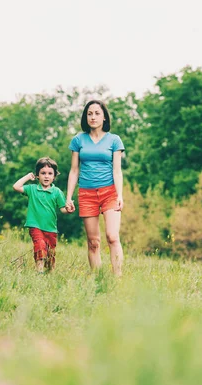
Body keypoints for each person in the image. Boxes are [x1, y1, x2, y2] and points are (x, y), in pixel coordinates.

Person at [66, 100, 125, 277]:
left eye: (97, 113)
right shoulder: (78, 140)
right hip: (86, 193)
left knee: (112, 236)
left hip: (109, 192)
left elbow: (117, 170)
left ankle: (117, 279)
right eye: (89, 113)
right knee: (93, 242)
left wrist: (120, 195)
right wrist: (68, 197)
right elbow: (74, 170)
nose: (93, 117)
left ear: (104, 116)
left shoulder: (114, 140)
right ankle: (100, 281)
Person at [13, 157, 70, 273]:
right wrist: (28, 177)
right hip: (35, 226)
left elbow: (63, 209)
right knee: (40, 246)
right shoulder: (32, 189)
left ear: (54, 176)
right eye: (43, 173)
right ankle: (39, 272)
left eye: (50, 173)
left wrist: (69, 209)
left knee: (50, 255)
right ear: (37, 175)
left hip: (51, 229)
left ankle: (49, 275)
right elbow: (16, 187)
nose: (46, 176)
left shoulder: (57, 192)